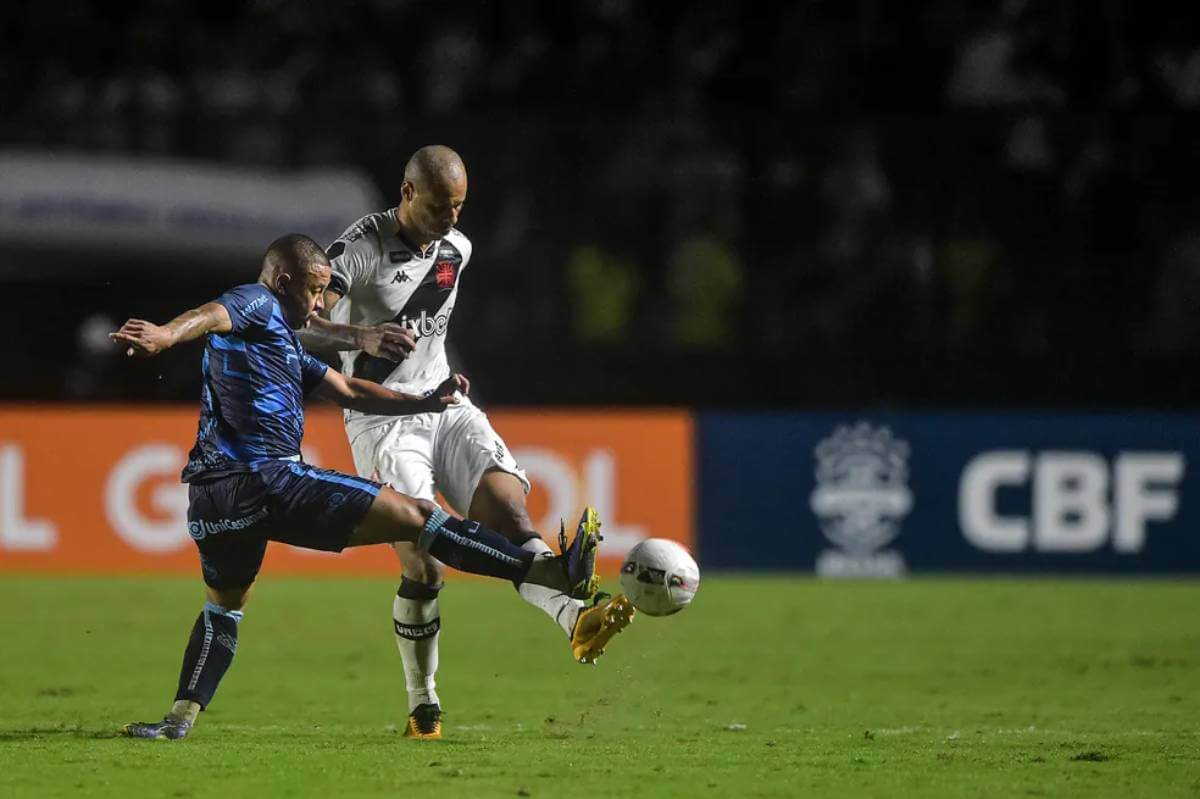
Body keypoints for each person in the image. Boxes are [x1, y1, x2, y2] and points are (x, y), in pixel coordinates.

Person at [110, 233, 606, 741]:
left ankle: (177, 720)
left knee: (224, 608)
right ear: (284, 282)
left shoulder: (280, 342)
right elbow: (213, 312)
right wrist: (167, 335)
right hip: (269, 480)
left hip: (214, 501)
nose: (323, 303)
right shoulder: (256, 302)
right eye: (316, 290)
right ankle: (545, 572)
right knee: (418, 517)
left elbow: (348, 389)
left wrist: (426, 403)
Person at [297, 146, 634, 738]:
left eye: (458, 207)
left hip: (447, 407)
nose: (450, 219)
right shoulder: (359, 248)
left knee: (510, 514)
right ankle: (422, 702)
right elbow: (298, 320)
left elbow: (429, 325)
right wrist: (361, 335)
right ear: (405, 193)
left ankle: (574, 617)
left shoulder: (458, 249)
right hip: (383, 421)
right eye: (437, 207)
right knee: (423, 562)